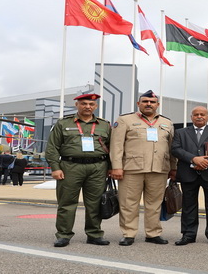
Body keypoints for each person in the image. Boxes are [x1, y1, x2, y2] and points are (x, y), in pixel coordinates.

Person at [110, 90, 177, 247]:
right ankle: (128, 233)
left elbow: (171, 148)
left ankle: (153, 233)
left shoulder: (167, 123)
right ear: (138, 104)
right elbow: (116, 145)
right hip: (131, 169)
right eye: (145, 101)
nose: (149, 104)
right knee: (128, 203)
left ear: (157, 105)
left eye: (152, 102)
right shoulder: (125, 120)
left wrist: (173, 168)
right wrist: (116, 167)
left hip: (159, 169)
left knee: (154, 203)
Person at [45, 93, 111, 247]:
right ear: (77, 105)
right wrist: (55, 168)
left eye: (91, 104)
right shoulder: (63, 123)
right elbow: (52, 147)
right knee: (67, 202)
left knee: (95, 203)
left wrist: (112, 168)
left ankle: (94, 234)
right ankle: (63, 235)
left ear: (96, 106)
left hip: (98, 168)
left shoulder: (104, 125)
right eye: (84, 104)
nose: (88, 107)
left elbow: (113, 148)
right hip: (70, 167)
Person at [171, 106, 208, 246]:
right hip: (188, 173)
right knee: (188, 205)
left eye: (202, 114)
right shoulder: (180, 132)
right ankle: (188, 234)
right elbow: (176, 149)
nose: (199, 116)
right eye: (196, 114)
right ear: (191, 117)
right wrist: (194, 159)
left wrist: (207, 161)